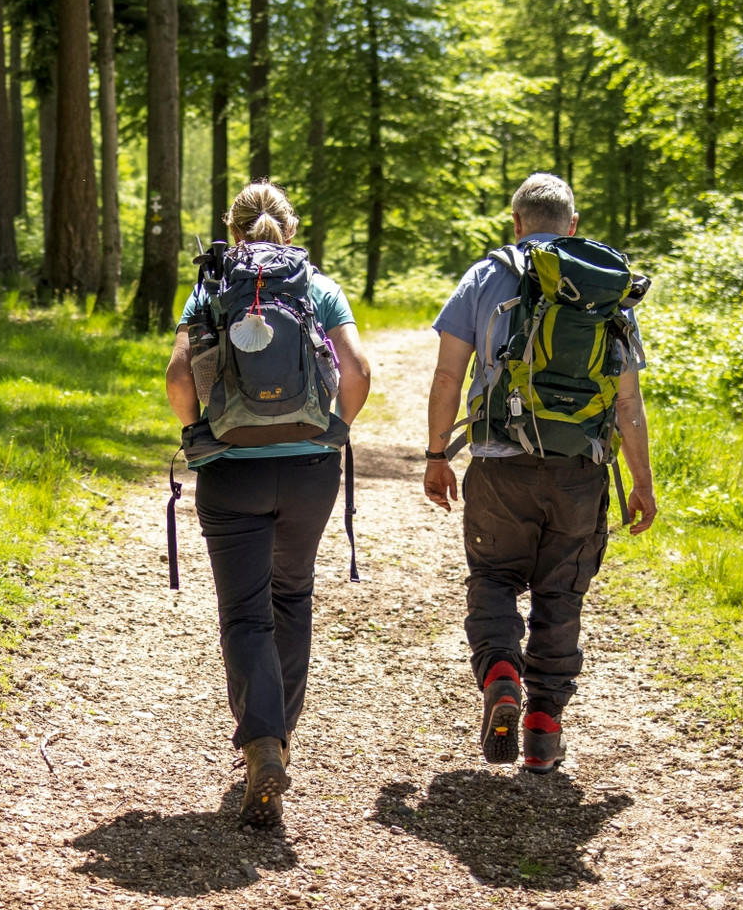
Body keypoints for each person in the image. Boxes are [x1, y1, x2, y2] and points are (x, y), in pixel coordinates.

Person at [422, 173, 657, 773]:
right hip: (581, 470)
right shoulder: (606, 287)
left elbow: (449, 375)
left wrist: (433, 455)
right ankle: (544, 726)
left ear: (517, 221)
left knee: (494, 576)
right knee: (562, 592)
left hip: (500, 468)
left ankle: (501, 672)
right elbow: (628, 403)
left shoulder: (486, 274)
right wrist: (641, 482)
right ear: (572, 226)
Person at [164, 181, 372, 827]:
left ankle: (259, 742)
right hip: (311, 471)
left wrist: (197, 432)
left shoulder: (212, 284)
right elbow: (359, 372)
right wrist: (334, 428)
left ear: (232, 231)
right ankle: (280, 740)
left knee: (245, 613)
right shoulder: (318, 285)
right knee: (293, 597)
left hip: (231, 473)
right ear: (290, 227)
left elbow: (177, 377)